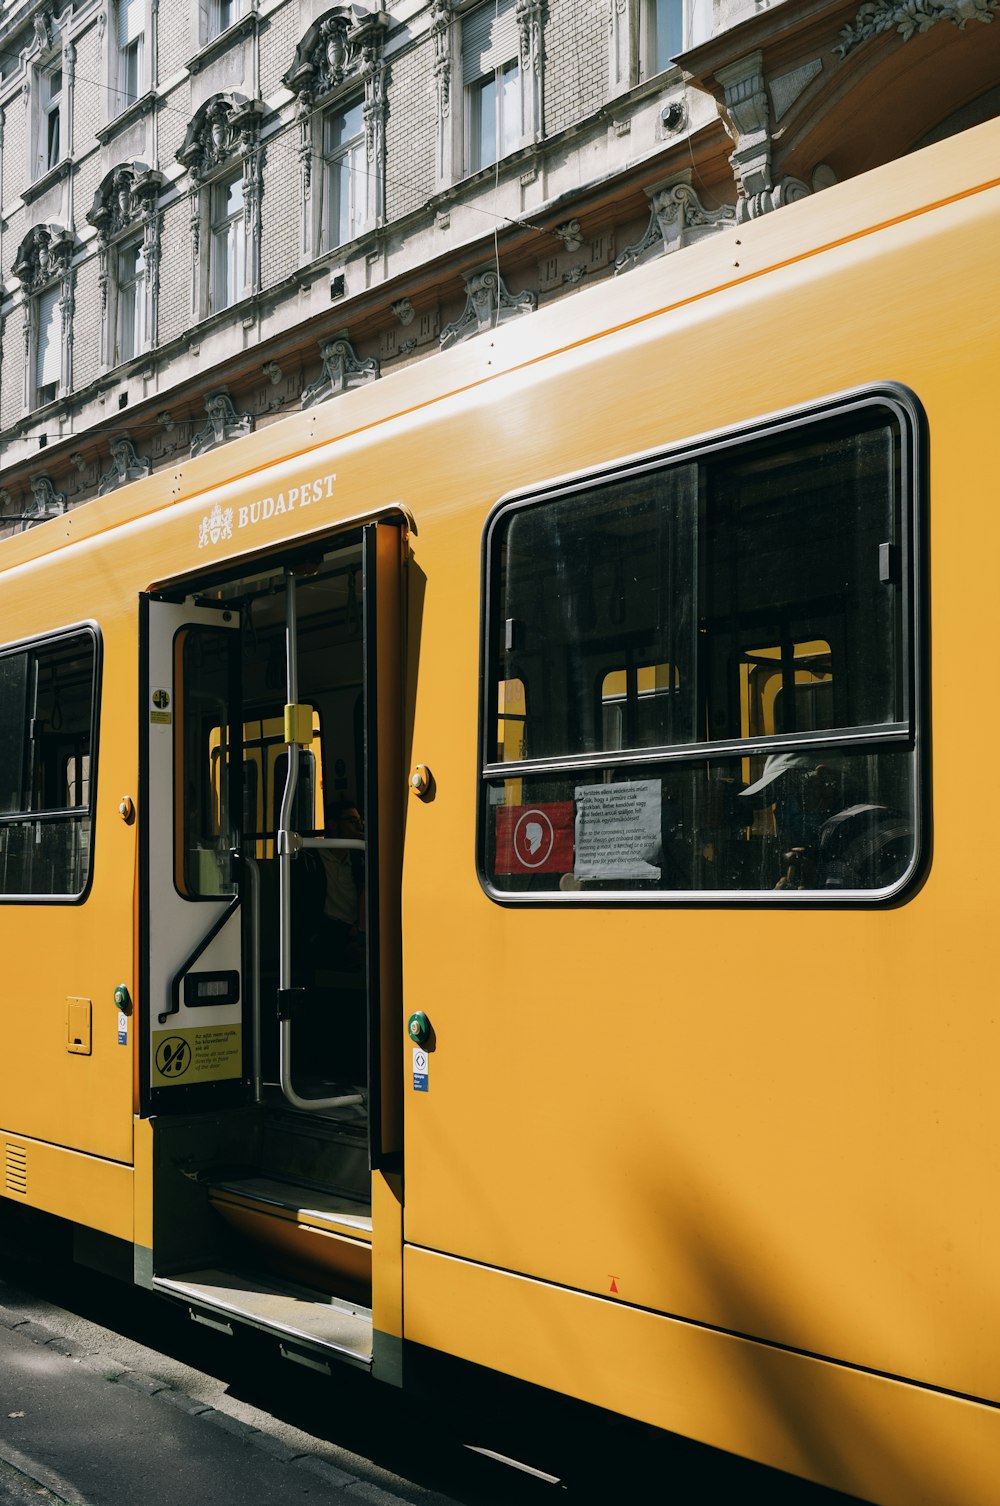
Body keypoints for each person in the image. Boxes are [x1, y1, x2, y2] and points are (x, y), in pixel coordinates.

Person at [739, 752, 911, 890]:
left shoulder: (842, 830)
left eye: (790, 792)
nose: (781, 809)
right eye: (779, 800)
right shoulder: (884, 817)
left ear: (826, 779)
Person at [311, 800, 365, 969]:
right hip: (325, 934)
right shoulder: (311, 862)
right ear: (333, 825)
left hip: (356, 932)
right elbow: (308, 914)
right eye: (352, 822)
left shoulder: (359, 861)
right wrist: (347, 930)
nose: (359, 828)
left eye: (360, 822)